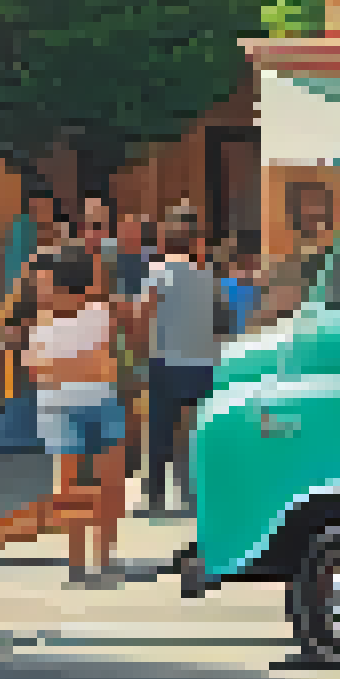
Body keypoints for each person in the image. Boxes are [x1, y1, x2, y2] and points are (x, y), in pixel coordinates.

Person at [6, 253, 131, 586]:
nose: (43, 292)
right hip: (78, 405)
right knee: (77, 487)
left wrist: (66, 368)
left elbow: (48, 371)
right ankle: (83, 562)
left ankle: (99, 560)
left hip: (84, 403)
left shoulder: (94, 315)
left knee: (105, 485)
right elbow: (42, 372)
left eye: (48, 285)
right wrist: (84, 366)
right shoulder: (45, 324)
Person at [136, 217, 223, 518]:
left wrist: (139, 353)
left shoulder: (157, 273)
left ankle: (156, 497)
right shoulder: (208, 275)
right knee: (199, 431)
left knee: (161, 428)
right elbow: (220, 317)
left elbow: (144, 315)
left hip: (167, 360)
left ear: (163, 242)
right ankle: (199, 494)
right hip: (204, 361)